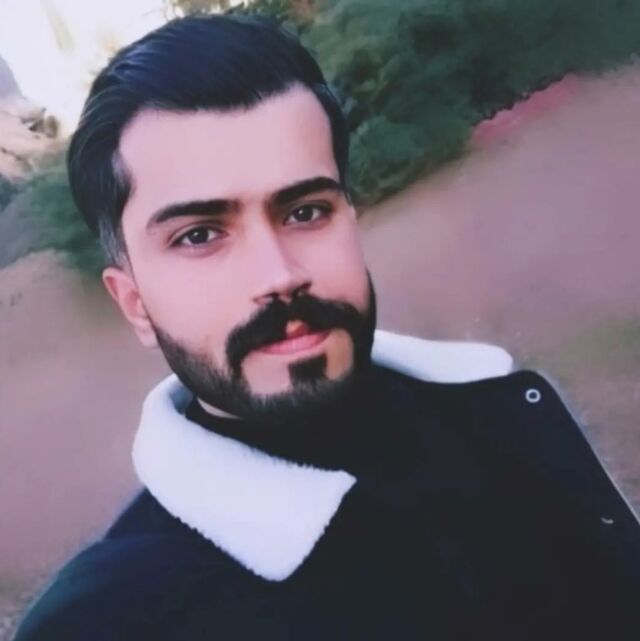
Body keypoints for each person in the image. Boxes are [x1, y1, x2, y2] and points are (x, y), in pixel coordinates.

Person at [13, 14, 640, 641]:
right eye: (200, 235)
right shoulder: (109, 623)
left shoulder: (495, 410)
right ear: (134, 304)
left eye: (305, 211)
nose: (280, 275)